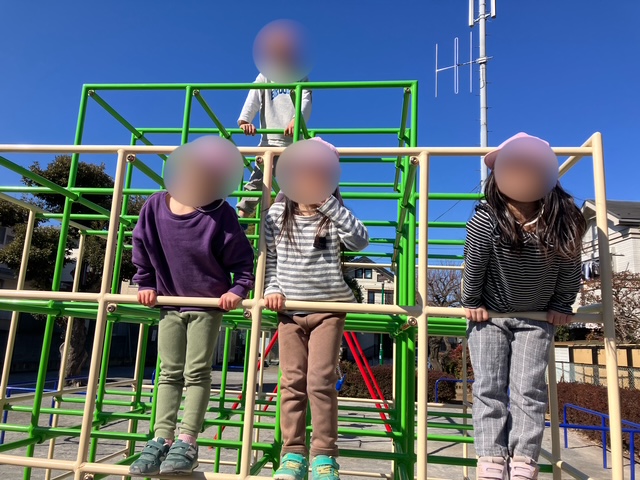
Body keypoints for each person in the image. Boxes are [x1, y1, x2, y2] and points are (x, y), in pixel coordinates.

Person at [462, 133, 587, 480]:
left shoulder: (563, 219)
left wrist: (562, 304)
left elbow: (570, 266)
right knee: (488, 386)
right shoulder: (487, 217)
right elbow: (475, 262)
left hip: (535, 317)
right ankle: (491, 456)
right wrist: (472, 301)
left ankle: (523, 458)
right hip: (490, 315)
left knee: (528, 389)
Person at [128, 187, 255, 476]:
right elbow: (141, 245)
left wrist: (238, 289)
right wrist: (145, 283)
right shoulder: (155, 205)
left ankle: (187, 440)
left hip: (207, 303)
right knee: (168, 371)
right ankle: (161, 438)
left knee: (196, 371)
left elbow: (243, 260)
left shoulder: (220, 211)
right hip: (169, 302)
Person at [264, 138, 369, 480]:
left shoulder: (333, 215)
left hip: (328, 309)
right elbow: (270, 261)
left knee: (320, 382)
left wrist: (330, 205)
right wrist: (272, 289)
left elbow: (361, 240)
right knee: (292, 381)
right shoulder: (278, 214)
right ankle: (292, 454)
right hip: (290, 310)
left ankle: (324, 455)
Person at [236, 45, 312, 223]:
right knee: (256, 183)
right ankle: (241, 220)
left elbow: (306, 100)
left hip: (293, 144)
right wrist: (245, 120)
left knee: (295, 187)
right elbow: (254, 96)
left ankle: (294, 225)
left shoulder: (300, 77)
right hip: (268, 142)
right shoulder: (265, 76)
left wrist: (297, 119)